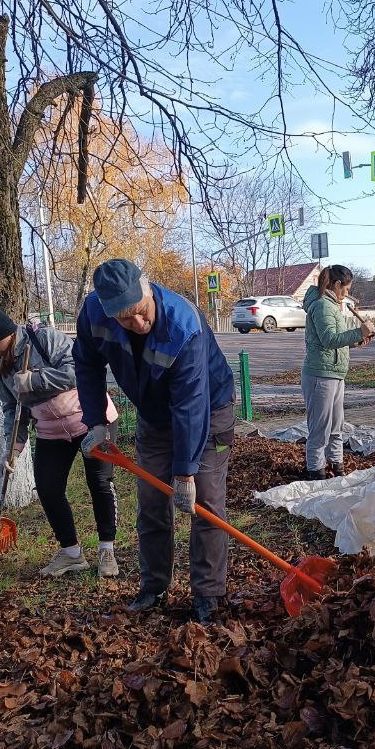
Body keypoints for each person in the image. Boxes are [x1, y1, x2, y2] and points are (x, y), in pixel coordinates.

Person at [72, 258, 236, 623]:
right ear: (108, 311)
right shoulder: (94, 314)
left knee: (205, 503)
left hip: (209, 411)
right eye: (125, 318)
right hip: (154, 417)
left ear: (148, 289)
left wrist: (185, 473)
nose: (138, 322)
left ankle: (209, 594)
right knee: (151, 503)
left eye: (141, 311)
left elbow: (192, 405)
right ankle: (154, 586)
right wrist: (96, 421)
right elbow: (86, 364)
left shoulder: (183, 325)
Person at [0, 303, 119, 578]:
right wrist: (13, 449)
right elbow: (12, 410)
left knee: (99, 483)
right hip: (52, 431)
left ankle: (106, 550)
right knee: (48, 489)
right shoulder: (3, 365)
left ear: (7, 333)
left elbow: (79, 370)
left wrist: (36, 380)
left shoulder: (44, 339)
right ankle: (71, 553)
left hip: (91, 420)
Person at [301, 265, 375, 480]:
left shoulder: (332, 305)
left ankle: (337, 466)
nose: (347, 293)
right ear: (336, 284)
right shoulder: (322, 306)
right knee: (320, 429)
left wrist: (357, 339)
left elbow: (336, 339)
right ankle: (316, 472)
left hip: (334, 373)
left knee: (336, 427)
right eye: (346, 289)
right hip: (320, 375)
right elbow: (329, 339)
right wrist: (359, 331)